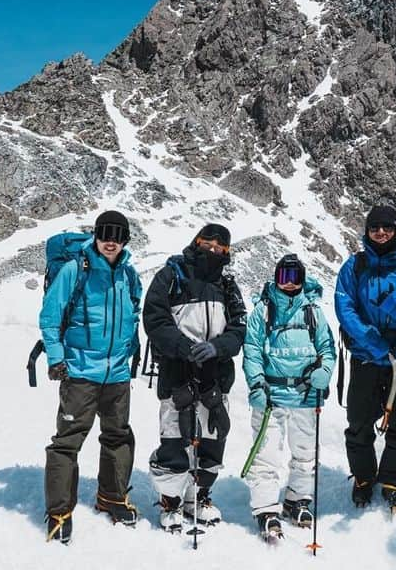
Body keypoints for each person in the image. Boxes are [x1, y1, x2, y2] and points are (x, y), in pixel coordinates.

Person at [41, 210, 142, 544]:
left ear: (125, 239)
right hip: (80, 371)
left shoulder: (128, 273)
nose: (110, 241)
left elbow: (133, 314)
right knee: (68, 442)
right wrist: (57, 358)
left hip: (116, 375)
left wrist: (132, 351)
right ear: (96, 236)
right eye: (104, 233)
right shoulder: (75, 270)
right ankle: (58, 512)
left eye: (117, 235)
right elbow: (50, 317)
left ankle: (111, 496)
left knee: (118, 436)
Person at [143, 223, 247, 532]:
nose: (213, 250)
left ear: (226, 252)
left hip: (215, 374)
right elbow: (155, 320)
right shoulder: (171, 276)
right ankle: (171, 500)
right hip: (178, 372)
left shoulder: (227, 285)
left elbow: (240, 329)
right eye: (208, 243)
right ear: (196, 242)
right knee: (176, 437)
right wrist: (185, 348)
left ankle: (198, 497)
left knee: (213, 437)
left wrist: (216, 347)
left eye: (220, 247)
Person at [334, 205, 396, 511]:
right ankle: (363, 477)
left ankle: (394, 481)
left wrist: (392, 305)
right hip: (366, 356)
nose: (381, 233)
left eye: (387, 227)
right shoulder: (355, 266)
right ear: (367, 231)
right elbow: (344, 305)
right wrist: (369, 339)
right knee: (359, 422)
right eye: (375, 227)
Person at [242, 254, 336, 540]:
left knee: (305, 453)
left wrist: (325, 372)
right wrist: (256, 384)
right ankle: (266, 508)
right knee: (266, 455)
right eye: (285, 277)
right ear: (276, 278)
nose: (291, 284)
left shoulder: (313, 311)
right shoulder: (263, 310)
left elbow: (327, 348)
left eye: (296, 278)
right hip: (271, 395)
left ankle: (298, 499)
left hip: (306, 394)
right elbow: (253, 349)